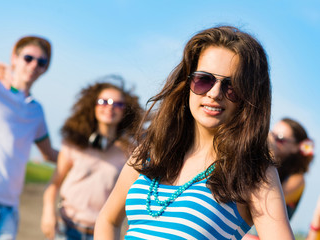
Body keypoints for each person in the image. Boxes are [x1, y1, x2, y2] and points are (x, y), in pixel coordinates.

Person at [94, 25, 294, 239]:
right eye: (204, 79)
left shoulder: (254, 172)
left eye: (232, 86)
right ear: (187, 82)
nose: (215, 93)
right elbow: (107, 220)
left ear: (249, 97)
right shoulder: (150, 150)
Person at [41, 77, 143, 240]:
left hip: (101, 233)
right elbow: (54, 185)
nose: (110, 107)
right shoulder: (74, 143)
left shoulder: (131, 151)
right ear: (93, 106)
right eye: (104, 101)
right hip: (66, 229)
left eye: (118, 104)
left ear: (125, 110)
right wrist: (48, 213)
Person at [0, 36, 58, 239]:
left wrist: (89, 156)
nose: (33, 65)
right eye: (28, 58)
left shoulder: (36, 110)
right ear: (14, 58)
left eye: (41, 62)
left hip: (7, 211)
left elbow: (50, 154)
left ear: (45, 69)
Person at [244, 118, 314, 239]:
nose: (272, 140)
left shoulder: (297, 179)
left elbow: (269, 199)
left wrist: (269, 154)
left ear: (295, 147)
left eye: (280, 139)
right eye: (272, 135)